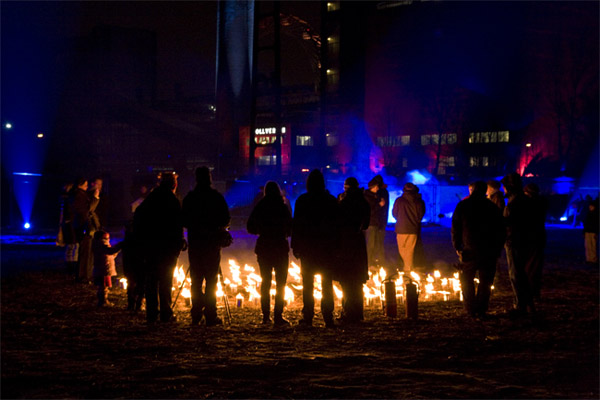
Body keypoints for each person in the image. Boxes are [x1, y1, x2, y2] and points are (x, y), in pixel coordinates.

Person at [182, 167, 231, 326]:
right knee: (211, 280)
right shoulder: (216, 197)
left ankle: (196, 313)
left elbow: (183, 220)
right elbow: (225, 219)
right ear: (209, 178)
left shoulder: (190, 198)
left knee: (196, 280)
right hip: (211, 244)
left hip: (196, 244)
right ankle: (211, 314)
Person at [291, 169, 340, 328]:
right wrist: (336, 246)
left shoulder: (302, 200)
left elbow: (296, 226)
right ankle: (328, 316)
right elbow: (336, 226)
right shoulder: (331, 200)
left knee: (308, 283)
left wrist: (295, 246)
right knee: (326, 283)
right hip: (326, 248)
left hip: (308, 248)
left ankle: (308, 316)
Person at [134, 172, 184, 324]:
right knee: (165, 281)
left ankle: (152, 314)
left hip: (151, 246)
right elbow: (177, 223)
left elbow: (138, 216)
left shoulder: (151, 198)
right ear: (173, 185)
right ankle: (165, 313)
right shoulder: (172, 200)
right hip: (167, 247)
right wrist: (178, 242)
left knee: (151, 280)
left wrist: (142, 239)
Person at [452, 181, 505, 318]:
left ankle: (470, 308)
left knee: (466, 279)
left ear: (473, 190)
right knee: (486, 281)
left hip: (469, 249)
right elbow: (500, 230)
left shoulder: (463, 206)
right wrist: (497, 248)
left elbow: (456, 228)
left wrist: (458, 246)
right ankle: (481, 309)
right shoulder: (491, 207)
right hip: (488, 250)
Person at [247, 181, 293, 325]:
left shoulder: (260, 206)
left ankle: (266, 316)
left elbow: (250, 227)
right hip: (280, 246)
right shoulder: (282, 206)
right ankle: (278, 315)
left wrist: (260, 231)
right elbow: (290, 227)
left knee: (265, 282)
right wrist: (284, 233)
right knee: (281, 283)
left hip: (264, 247)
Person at [501, 172, 538, 317]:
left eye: (505, 187)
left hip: (515, 241)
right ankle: (528, 304)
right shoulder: (524, 200)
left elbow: (511, 222)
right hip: (524, 241)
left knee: (516, 274)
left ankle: (520, 305)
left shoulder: (515, 202)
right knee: (522, 273)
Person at [337, 177, 370, 323]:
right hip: (358, 243)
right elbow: (366, 224)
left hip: (346, 243)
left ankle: (348, 312)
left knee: (347, 279)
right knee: (357, 281)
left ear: (347, 187)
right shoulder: (363, 202)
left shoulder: (345, 202)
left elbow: (338, 222)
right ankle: (358, 313)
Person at [69, 178, 98, 283]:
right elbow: (87, 210)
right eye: (85, 184)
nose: (87, 186)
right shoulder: (79, 196)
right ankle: (83, 276)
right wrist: (95, 198)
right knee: (85, 252)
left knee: (86, 251)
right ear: (80, 185)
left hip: (82, 225)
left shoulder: (79, 194)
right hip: (84, 226)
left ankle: (85, 275)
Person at [392, 182, 425, 273]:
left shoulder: (399, 200)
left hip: (401, 228)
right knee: (410, 250)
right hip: (412, 229)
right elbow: (420, 215)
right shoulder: (419, 201)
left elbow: (394, 213)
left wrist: (400, 219)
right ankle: (408, 268)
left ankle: (407, 268)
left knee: (402, 249)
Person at [523, 183, 548, 300]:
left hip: (530, 238)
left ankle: (530, 291)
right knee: (535, 267)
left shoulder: (528, 204)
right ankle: (534, 291)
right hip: (538, 237)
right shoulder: (541, 203)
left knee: (529, 266)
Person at [92, 230, 122, 307]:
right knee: (103, 287)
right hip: (104, 270)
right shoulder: (101, 245)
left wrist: (116, 251)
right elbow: (110, 251)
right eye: (106, 238)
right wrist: (119, 246)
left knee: (104, 286)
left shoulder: (102, 245)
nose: (108, 239)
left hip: (104, 269)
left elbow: (111, 255)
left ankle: (103, 301)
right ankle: (103, 301)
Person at [121, 221, 145, 312]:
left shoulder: (126, 242)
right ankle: (135, 304)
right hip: (137, 266)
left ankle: (134, 304)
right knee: (139, 284)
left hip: (131, 266)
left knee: (133, 284)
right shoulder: (139, 241)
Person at [364, 178, 382, 267]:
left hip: (373, 223)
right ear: (373, 187)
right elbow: (370, 211)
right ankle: (368, 263)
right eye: (377, 187)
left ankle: (370, 262)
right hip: (371, 224)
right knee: (370, 245)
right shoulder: (368, 197)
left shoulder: (372, 196)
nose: (378, 189)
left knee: (372, 245)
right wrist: (379, 205)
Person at [373, 175, 390, 268]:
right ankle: (380, 261)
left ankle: (379, 261)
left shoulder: (381, 192)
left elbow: (381, 208)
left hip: (379, 222)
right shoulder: (385, 192)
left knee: (376, 243)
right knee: (379, 243)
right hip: (381, 222)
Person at [583, 198, 599, 265]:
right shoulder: (589, 214)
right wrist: (584, 232)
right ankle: (588, 258)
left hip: (592, 231)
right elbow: (585, 223)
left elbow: (597, 224)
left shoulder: (596, 215)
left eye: (591, 206)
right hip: (588, 231)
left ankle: (593, 259)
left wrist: (596, 232)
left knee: (592, 246)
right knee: (587, 246)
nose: (590, 207)